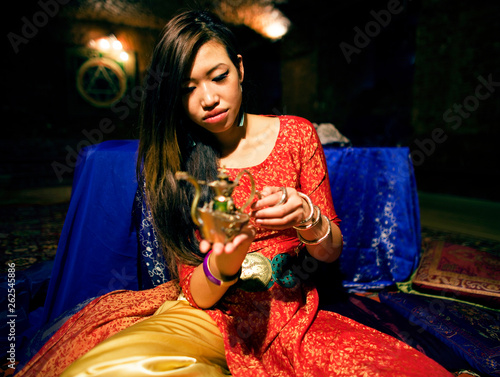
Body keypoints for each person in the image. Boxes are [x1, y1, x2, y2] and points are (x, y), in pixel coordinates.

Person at [16, 9, 455, 377]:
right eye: (188, 89)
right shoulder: (178, 162)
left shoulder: (297, 135)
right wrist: (223, 259)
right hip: (204, 316)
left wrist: (308, 217)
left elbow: (329, 253)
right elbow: (199, 293)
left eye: (218, 76)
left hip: (290, 313)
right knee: (111, 368)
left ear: (240, 69)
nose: (208, 98)